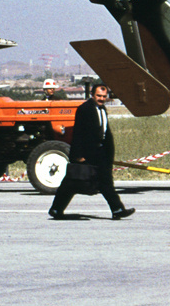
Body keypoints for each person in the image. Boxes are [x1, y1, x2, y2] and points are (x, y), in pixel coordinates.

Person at [49, 83, 134, 220]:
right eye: (98, 96)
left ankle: (117, 209)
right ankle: (56, 209)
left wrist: (108, 154)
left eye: (104, 96)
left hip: (101, 154)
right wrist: (77, 155)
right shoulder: (84, 109)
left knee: (105, 182)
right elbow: (78, 133)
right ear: (92, 95)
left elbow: (105, 133)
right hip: (87, 153)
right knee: (71, 183)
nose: (101, 99)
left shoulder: (102, 109)